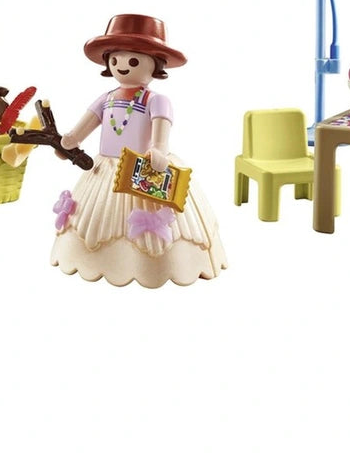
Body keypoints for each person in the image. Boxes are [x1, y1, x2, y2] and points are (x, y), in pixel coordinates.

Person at [52, 14, 226, 287]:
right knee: (97, 218)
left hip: (143, 166)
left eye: (133, 61)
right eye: (115, 60)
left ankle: (159, 264)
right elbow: (84, 126)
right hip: (106, 169)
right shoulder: (107, 99)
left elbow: (160, 129)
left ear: (155, 64)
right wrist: (70, 141)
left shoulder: (156, 100)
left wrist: (158, 150)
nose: (122, 66)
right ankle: (95, 259)